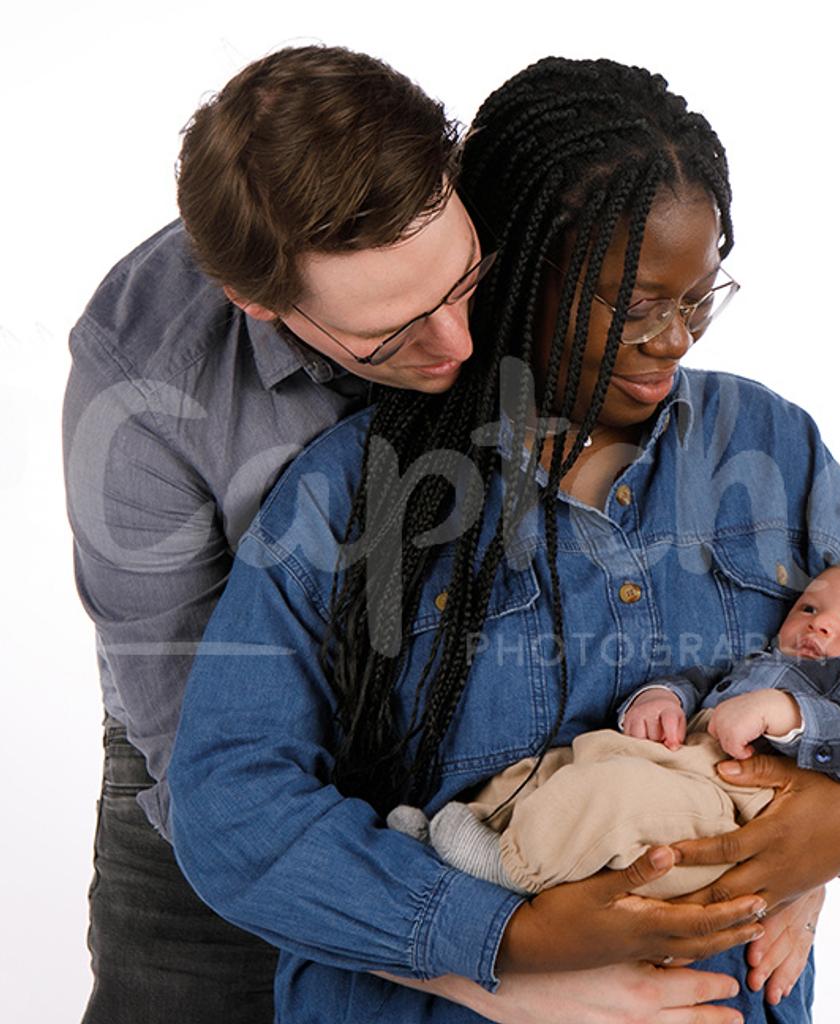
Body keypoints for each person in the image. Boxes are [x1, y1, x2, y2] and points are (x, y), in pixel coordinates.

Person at [167, 57, 840, 1024]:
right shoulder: (350, 494)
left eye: (699, 299)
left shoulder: (768, 444)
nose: (675, 340)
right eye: (635, 307)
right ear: (506, 265)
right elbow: (230, 809)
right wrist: (509, 943)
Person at [62, 45, 482, 1024]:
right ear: (259, 303)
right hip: (218, 757)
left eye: (465, 284)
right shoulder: (138, 381)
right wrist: (487, 970)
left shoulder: (515, 204)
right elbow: (213, 794)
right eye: (393, 336)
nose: (458, 347)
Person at [408, 558, 840, 901]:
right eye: (810, 605)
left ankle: (509, 868)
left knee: (611, 797)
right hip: (677, 756)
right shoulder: (770, 659)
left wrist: (788, 713)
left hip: (731, 803)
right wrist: (663, 696)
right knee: (563, 763)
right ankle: (468, 828)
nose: (822, 623)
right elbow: (704, 678)